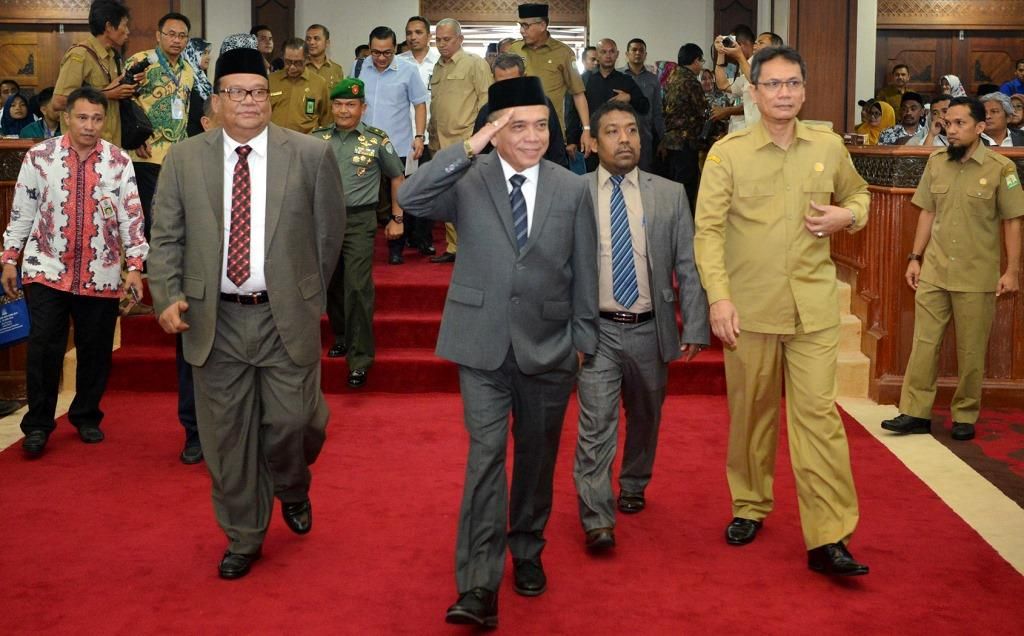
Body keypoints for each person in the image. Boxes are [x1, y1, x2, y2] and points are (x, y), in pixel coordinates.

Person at [398, 75, 598, 628]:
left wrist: (584, 341)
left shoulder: (572, 186)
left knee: (535, 459)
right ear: (495, 127)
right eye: (518, 125)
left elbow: (586, 268)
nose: (532, 137)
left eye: (540, 125)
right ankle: (478, 586)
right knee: (486, 456)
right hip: (479, 342)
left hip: (550, 345)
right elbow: (411, 198)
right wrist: (471, 143)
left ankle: (528, 546)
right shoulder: (470, 177)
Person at [147, 45, 346, 580]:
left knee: (296, 423)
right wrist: (165, 295)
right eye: (237, 92)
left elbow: (330, 237)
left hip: (286, 318)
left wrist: (306, 293)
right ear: (217, 101)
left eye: (259, 92)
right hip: (216, 319)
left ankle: (292, 483)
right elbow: (165, 237)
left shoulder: (309, 154)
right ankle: (244, 535)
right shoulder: (186, 159)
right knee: (227, 439)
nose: (250, 102)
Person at [694, 46, 871, 577]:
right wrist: (718, 298)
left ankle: (828, 537)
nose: (783, 94)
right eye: (772, 85)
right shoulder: (728, 153)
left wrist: (848, 215)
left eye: (792, 83)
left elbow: (860, 197)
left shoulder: (828, 145)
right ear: (753, 91)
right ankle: (749, 503)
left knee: (818, 418)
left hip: (813, 307)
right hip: (749, 310)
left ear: (804, 88)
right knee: (751, 414)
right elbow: (708, 231)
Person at [573, 101, 708, 552]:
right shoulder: (574, 193)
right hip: (599, 330)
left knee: (646, 416)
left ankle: (633, 481)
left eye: (632, 130)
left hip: (651, 327)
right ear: (594, 142)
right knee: (596, 423)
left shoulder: (669, 194)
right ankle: (596, 517)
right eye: (612, 131)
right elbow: (558, 270)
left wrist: (694, 325)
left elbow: (688, 266)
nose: (625, 139)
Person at [2, 86, 147, 458]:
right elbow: (22, 212)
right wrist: (9, 257)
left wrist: (134, 266)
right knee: (43, 348)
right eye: (82, 117)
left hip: (101, 272)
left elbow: (132, 215)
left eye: (97, 118)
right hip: (47, 268)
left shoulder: (119, 162)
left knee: (95, 350)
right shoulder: (39, 157)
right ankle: (37, 425)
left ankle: (86, 415)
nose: (89, 125)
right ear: (67, 117)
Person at [881, 96, 1023, 442]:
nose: (952, 129)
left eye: (960, 123)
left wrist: (1012, 271)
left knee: (972, 349)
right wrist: (914, 257)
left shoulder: (1001, 169)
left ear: (980, 127)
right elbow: (927, 212)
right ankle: (915, 412)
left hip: (976, 275)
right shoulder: (936, 163)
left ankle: (965, 414)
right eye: (948, 123)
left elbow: (1012, 221)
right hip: (934, 271)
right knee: (924, 344)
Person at [313, 77, 405, 386]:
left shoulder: (377, 140)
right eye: (338, 104)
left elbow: (397, 177)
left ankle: (360, 358)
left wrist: (397, 217)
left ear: (362, 108)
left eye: (350, 104)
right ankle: (341, 335)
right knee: (332, 285)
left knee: (356, 287)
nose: (343, 110)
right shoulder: (316, 139)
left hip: (359, 221)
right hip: (323, 222)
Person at [351, 25, 428, 266]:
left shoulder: (408, 70)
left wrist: (419, 136)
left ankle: (396, 248)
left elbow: (419, 104)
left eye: (386, 53)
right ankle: (362, 247)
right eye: (376, 52)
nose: (381, 58)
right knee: (367, 199)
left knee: (399, 198)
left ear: (395, 49)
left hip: (398, 144)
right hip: (365, 145)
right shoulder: (359, 67)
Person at [425, 18, 492, 264]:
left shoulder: (475, 64)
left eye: (447, 39)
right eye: (438, 40)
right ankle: (454, 248)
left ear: (460, 39)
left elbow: (487, 104)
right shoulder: (438, 67)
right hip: (439, 143)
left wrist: (480, 139)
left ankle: (474, 248)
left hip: (465, 142)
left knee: (470, 198)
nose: (441, 44)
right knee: (448, 196)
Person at [125, 12, 196, 242]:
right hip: (147, 153)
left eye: (182, 36)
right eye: (171, 34)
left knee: (175, 214)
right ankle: (146, 269)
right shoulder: (140, 61)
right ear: (158, 35)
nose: (176, 40)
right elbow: (124, 103)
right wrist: (134, 140)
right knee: (149, 215)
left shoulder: (188, 71)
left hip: (177, 155)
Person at [508, 3, 592, 153]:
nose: (522, 31)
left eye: (526, 26)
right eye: (520, 25)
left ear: (542, 25)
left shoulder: (564, 53)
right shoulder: (514, 50)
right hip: (518, 130)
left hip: (552, 132)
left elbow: (578, 94)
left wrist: (586, 129)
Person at [52, 0, 136, 146]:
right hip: (83, 149)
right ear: (109, 27)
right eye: (124, 25)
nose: (128, 31)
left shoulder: (112, 56)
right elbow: (58, 101)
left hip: (110, 147)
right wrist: (108, 94)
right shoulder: (80, 55)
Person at [567, 38, 649, 173]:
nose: (608, 55)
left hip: (617, 142)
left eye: (611, 52)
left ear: (617, 54)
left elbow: (645, 106)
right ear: (597, 55)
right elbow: (572, 111)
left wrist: (630, 97)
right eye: (603, 52)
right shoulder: (584, 79)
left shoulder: (626, 80)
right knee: (590, 184)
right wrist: (571, 139)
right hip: (590, 141)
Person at [473, 53, 568, 168]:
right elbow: (479, 154)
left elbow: (556, 147)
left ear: (524, 77)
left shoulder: (542, 104)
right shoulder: (488, 110)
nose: (507, 88)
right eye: (501, 84)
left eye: (512, 82)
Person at [398, 15, 442, 257]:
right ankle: (404, 235)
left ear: (428, 36)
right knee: (403, 187)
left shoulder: (440, 62)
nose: (413, 37)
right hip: (402, 136)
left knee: (426, 188)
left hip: (428, 136)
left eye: (418, 32)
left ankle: (424, 238)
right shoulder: (397, 62)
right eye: (409, 32)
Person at [660, 43, 707, 210]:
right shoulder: (691, 82)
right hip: (686, 142)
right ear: (695, 61)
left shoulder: (670, 78)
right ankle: (684, 227)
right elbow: (703, 111)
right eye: (702, 61)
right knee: (686, 188)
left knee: (673, 186)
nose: (701, 67)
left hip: (669, 141)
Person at [269, 38, 332, 134]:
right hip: (276, 140)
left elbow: (326, 119)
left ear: (307, 59)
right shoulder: (270, 81)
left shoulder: (319, 83)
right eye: (288, 62)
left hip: (307, 142)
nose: (292, 67)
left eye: (298, 62)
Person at [622, 38, 666, 172]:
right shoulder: (618, 76)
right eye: (634, 50)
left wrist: (662, 139)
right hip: (621, 134)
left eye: (641, 50)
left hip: (645, 137)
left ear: (645, 55)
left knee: (643, 176)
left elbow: (657, 112)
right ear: (627, 54)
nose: (637, 53)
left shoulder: (653, 79)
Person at [183, 37, 213, 138]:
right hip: (192, 136)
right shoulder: (186, 78)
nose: (208, 57)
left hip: (206, 133)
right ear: (192, 53)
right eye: (204, 53)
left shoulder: (202, 79)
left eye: (208, 53)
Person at [305, 24, 346, 90]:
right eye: (308, 39)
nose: (311, 42)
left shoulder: (336, 69)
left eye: (316, 38)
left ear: (327, 43)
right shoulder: (300, 68)